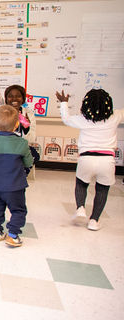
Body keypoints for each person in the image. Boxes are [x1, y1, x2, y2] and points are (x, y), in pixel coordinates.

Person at [56, 89, 123, 231]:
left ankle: (80, 207)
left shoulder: (83, 119)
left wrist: (64, 103)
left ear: (86, 104)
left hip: (86, 158)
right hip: (107, 160)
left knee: (81, 184)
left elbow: (66, 119)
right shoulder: (116, 116)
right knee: (102, 190)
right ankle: (94, 220)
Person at [0, 105, 34, 247]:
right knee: (18, 210)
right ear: (17, 125)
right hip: (15, 187)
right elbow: (29, 162)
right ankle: (13, 235)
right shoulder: (22, 143)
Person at [0, 84, 40, 165]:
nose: (14, 99)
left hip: (18, 149)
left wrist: (25, 127)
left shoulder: (28, 114)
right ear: (6, 99)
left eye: (18, 96)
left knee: (34, 155)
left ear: (23, 99)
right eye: (10, 96)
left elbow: (31, 140)